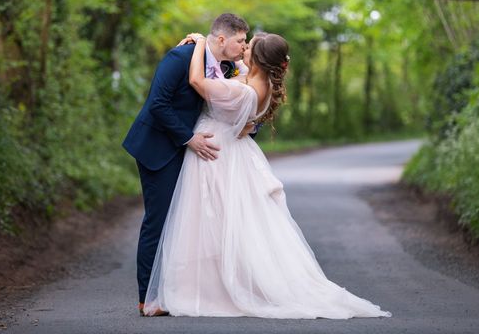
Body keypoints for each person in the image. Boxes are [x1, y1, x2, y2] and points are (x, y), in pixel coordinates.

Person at [142, 32, 393, 319]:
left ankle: (202, 290)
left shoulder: (247, 90)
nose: (244, 49)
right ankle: (204, 284)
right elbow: (240, 99)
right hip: (230, 151)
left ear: (259, 60)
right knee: (221, 223)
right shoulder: (257, 79)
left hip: (216, 153)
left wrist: (201, 41)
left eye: (249, 47)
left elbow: (198, 82)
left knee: (207, 221)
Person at [122, 13, 250, 316]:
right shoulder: (180, 56)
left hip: (187, 152)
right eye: (241, 41)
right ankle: (147, 300)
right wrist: (189, 139)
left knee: (183, 223)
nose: (244, 46)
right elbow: (158, 103)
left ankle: (174, 291)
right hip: (158, 148)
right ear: (222, 39)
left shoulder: (227, 66)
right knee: (159, 221)